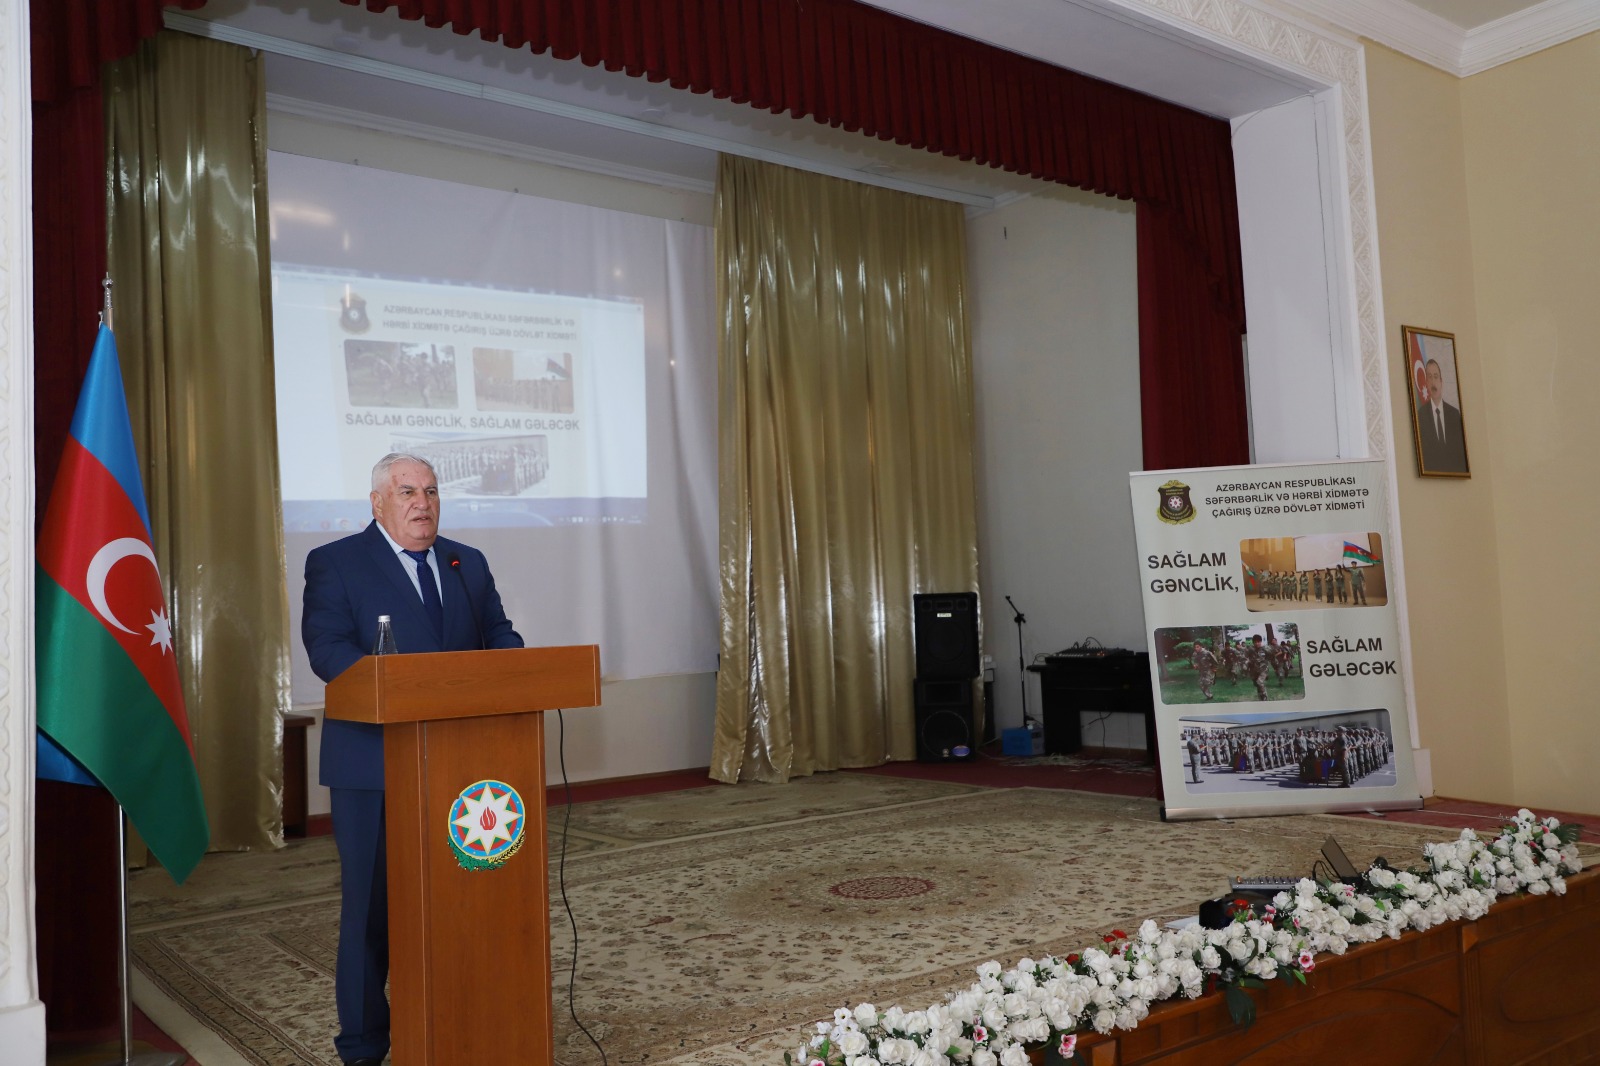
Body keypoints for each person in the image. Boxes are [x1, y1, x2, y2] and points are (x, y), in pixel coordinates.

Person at [303, 453, 524, 1066]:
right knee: (371, 914)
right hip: (373, 766)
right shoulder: (336, 561)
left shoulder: (464, 561)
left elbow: (499, 634)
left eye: (430, 491)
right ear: (378, 503)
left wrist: (515, 669)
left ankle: (457, 1023)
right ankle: (363, 1046)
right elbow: (326, 649)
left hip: (462, 764)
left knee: (462, 904)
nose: (422, 503)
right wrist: (393, 689)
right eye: (407, 492)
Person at [1415, 358, 1468, 473]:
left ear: (1441, 381)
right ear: (1426, 382)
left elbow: (1460, 455)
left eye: (1436, 376)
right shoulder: (1420, 416)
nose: (1433, 382)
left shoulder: (1455, 415)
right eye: (1429, 377)